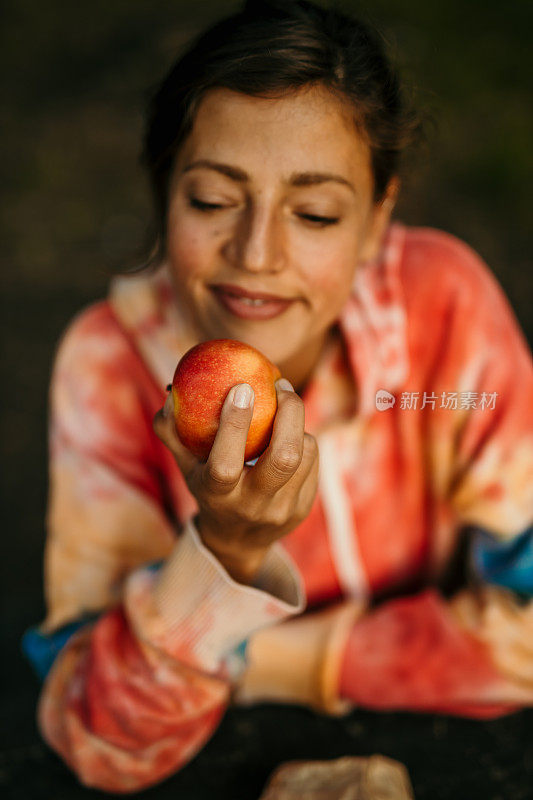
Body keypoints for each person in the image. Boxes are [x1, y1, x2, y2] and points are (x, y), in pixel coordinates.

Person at [22, 0, 533, 793]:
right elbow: (95, 732)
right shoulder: (109, 365)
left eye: (316, 212)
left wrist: (260, 656)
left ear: (374, 221)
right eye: (211, 200)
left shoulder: (443, 313)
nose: (255, 255)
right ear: (163, 195)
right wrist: (226, 553)